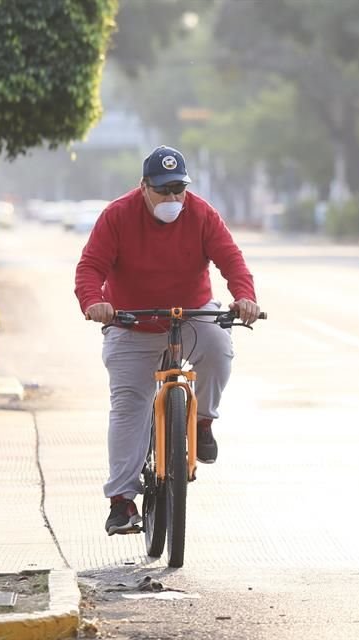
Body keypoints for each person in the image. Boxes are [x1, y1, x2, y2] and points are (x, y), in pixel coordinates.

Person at [74, 145, 260, 536]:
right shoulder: (117, 216)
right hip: (131, 322)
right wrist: (95, 303)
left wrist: (244, 297)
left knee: (219, 348)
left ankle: (204, 422)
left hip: (191, 314)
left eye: (179, 188)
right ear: (143, 187)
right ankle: (122, 502)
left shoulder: (202, 213)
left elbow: (232, 260)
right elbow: (90, 267)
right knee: (128, 406)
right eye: (163, 190)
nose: (173, 198)